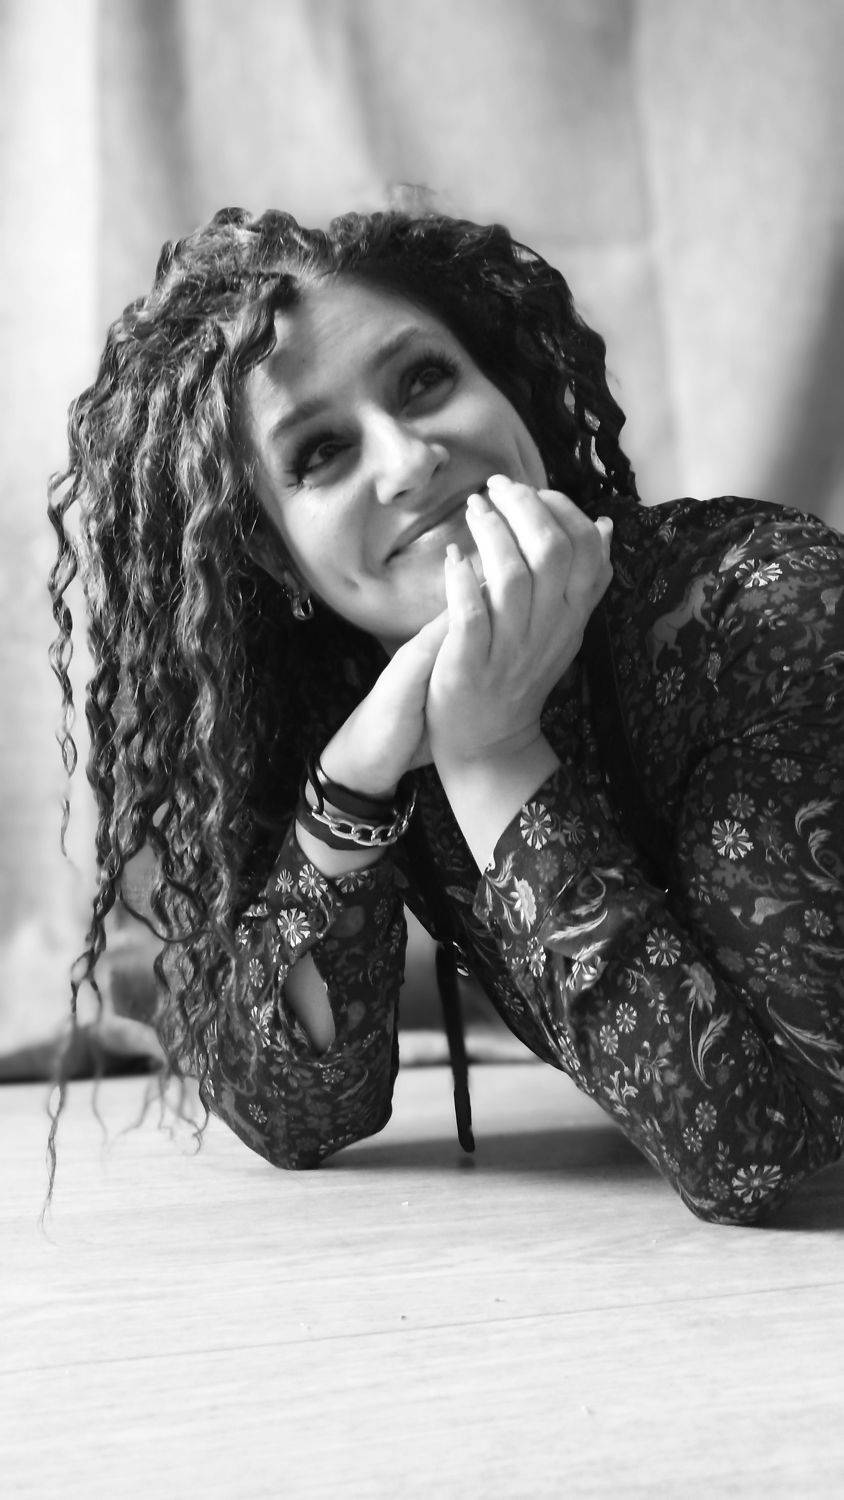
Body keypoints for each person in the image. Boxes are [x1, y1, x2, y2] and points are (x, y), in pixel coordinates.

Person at [47, 205, 844, 1224]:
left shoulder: (765, 608)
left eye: (423, 379)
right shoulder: (347, 695)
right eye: (321, 451)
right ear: (276, 557)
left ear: (503, 388)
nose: (408, 459)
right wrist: (349, 791)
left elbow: (758, 1156)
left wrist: (493, 753)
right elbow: (293, 1117)